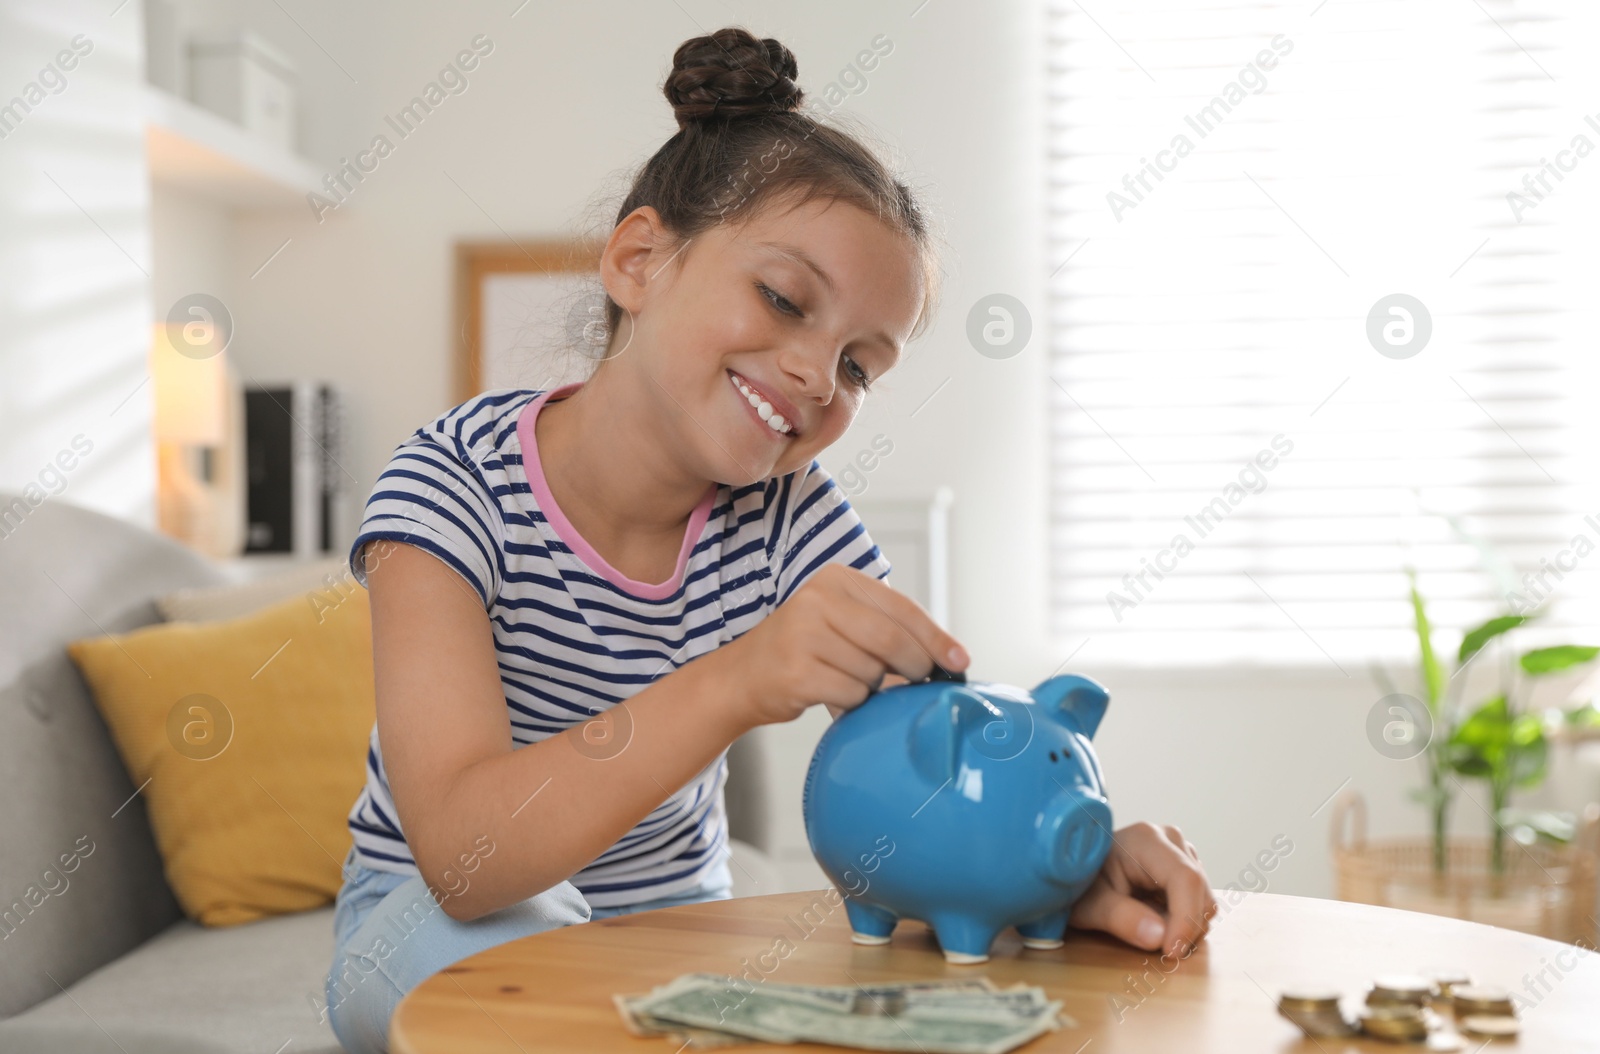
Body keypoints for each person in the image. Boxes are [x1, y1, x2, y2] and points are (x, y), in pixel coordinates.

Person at [322, 25, 1217, 1054]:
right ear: (639, 260)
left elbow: (944, 764)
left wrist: (1061, 856)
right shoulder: (451, 484)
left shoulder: (796, 521)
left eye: (858, 368)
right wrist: (737, 679)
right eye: (784, 300)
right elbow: (462, 860)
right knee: (519, 972)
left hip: (664, 941)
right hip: (429, 928)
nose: (812, 374)